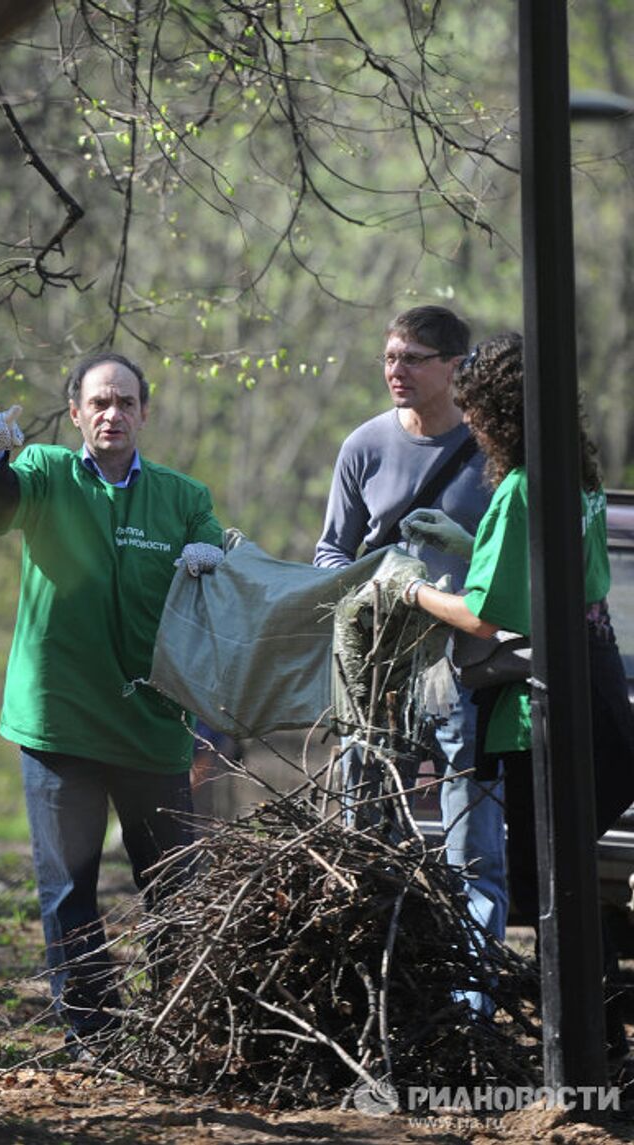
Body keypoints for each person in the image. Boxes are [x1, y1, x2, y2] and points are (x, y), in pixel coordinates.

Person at [0, 351, 224, 1054]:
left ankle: (179, 1026)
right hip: (61, 727)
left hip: (153, 730)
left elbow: (217, 585)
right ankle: (96, 1036)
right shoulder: (46, 473)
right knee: (69, 892)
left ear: (145, 412)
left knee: (175, 892)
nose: (113, 414)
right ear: (75, 412)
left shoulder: (183, 497)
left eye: (126, 402)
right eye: (99, 403)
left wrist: (214, 558)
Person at [400, 330, 634, 1061]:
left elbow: (486, 615)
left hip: (543, 717)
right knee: (576, 890)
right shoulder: (578, 478)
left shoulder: (522, 486)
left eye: (477, 410)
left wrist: (408, 589)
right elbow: (551, 577)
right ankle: (607, 1041)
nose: (470, 422)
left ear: (503, 410)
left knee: (552, 895)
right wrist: (473, 547)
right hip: (601, 703)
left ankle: (581, 1050)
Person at [314, 305, 508, 962]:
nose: (396, 370)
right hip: (376, 672)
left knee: (472, 849)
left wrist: (468, 550)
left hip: (463, 669)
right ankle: (365, 981)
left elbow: (512, 559)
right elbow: (329, 554)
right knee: (360, 834)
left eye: (413, 358)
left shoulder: (492, 453)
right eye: (391, 356)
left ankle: (470, 1001)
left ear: (455, 367)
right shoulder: (363, 445)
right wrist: (372, 587)